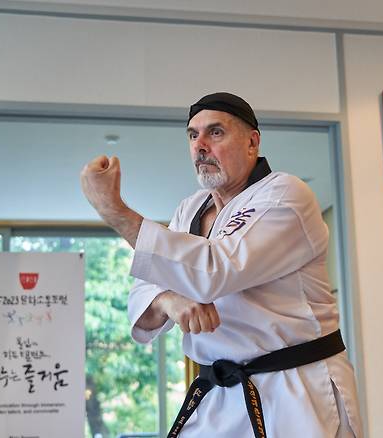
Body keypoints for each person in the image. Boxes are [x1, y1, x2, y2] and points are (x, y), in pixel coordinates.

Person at [80, 92, 362, 438]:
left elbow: (216, 271)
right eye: (192, 135)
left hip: (294, 391)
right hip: (218, 394)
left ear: (251, 142)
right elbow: (145, 287)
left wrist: (115, 212)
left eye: (215, 133)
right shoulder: (189, 208)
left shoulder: (285, 195)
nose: (200, 145)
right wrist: (171, 301)